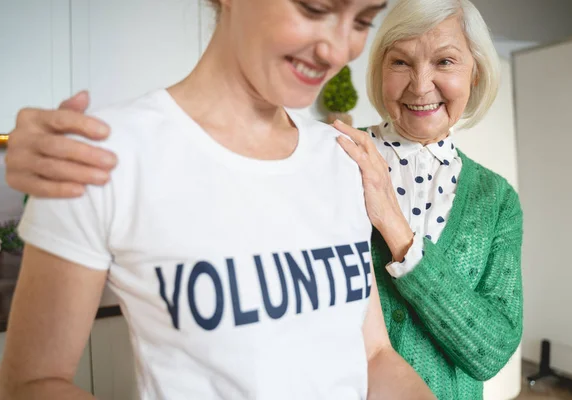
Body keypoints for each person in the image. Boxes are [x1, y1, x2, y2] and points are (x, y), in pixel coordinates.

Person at [0, 0, 436, 399]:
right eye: (314, 7)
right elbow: (33, 383)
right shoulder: (97, 155)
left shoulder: (343, 158)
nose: (339, 52)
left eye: (362, 21)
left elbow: (374, 355)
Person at [334, 0, 524, 398]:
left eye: (444, 62)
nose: (420, 86)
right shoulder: (337, 157)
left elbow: (490, 352)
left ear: (476, 73)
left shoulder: (497, 198)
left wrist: (397, 231)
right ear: (380, 71)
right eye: (401, 62)